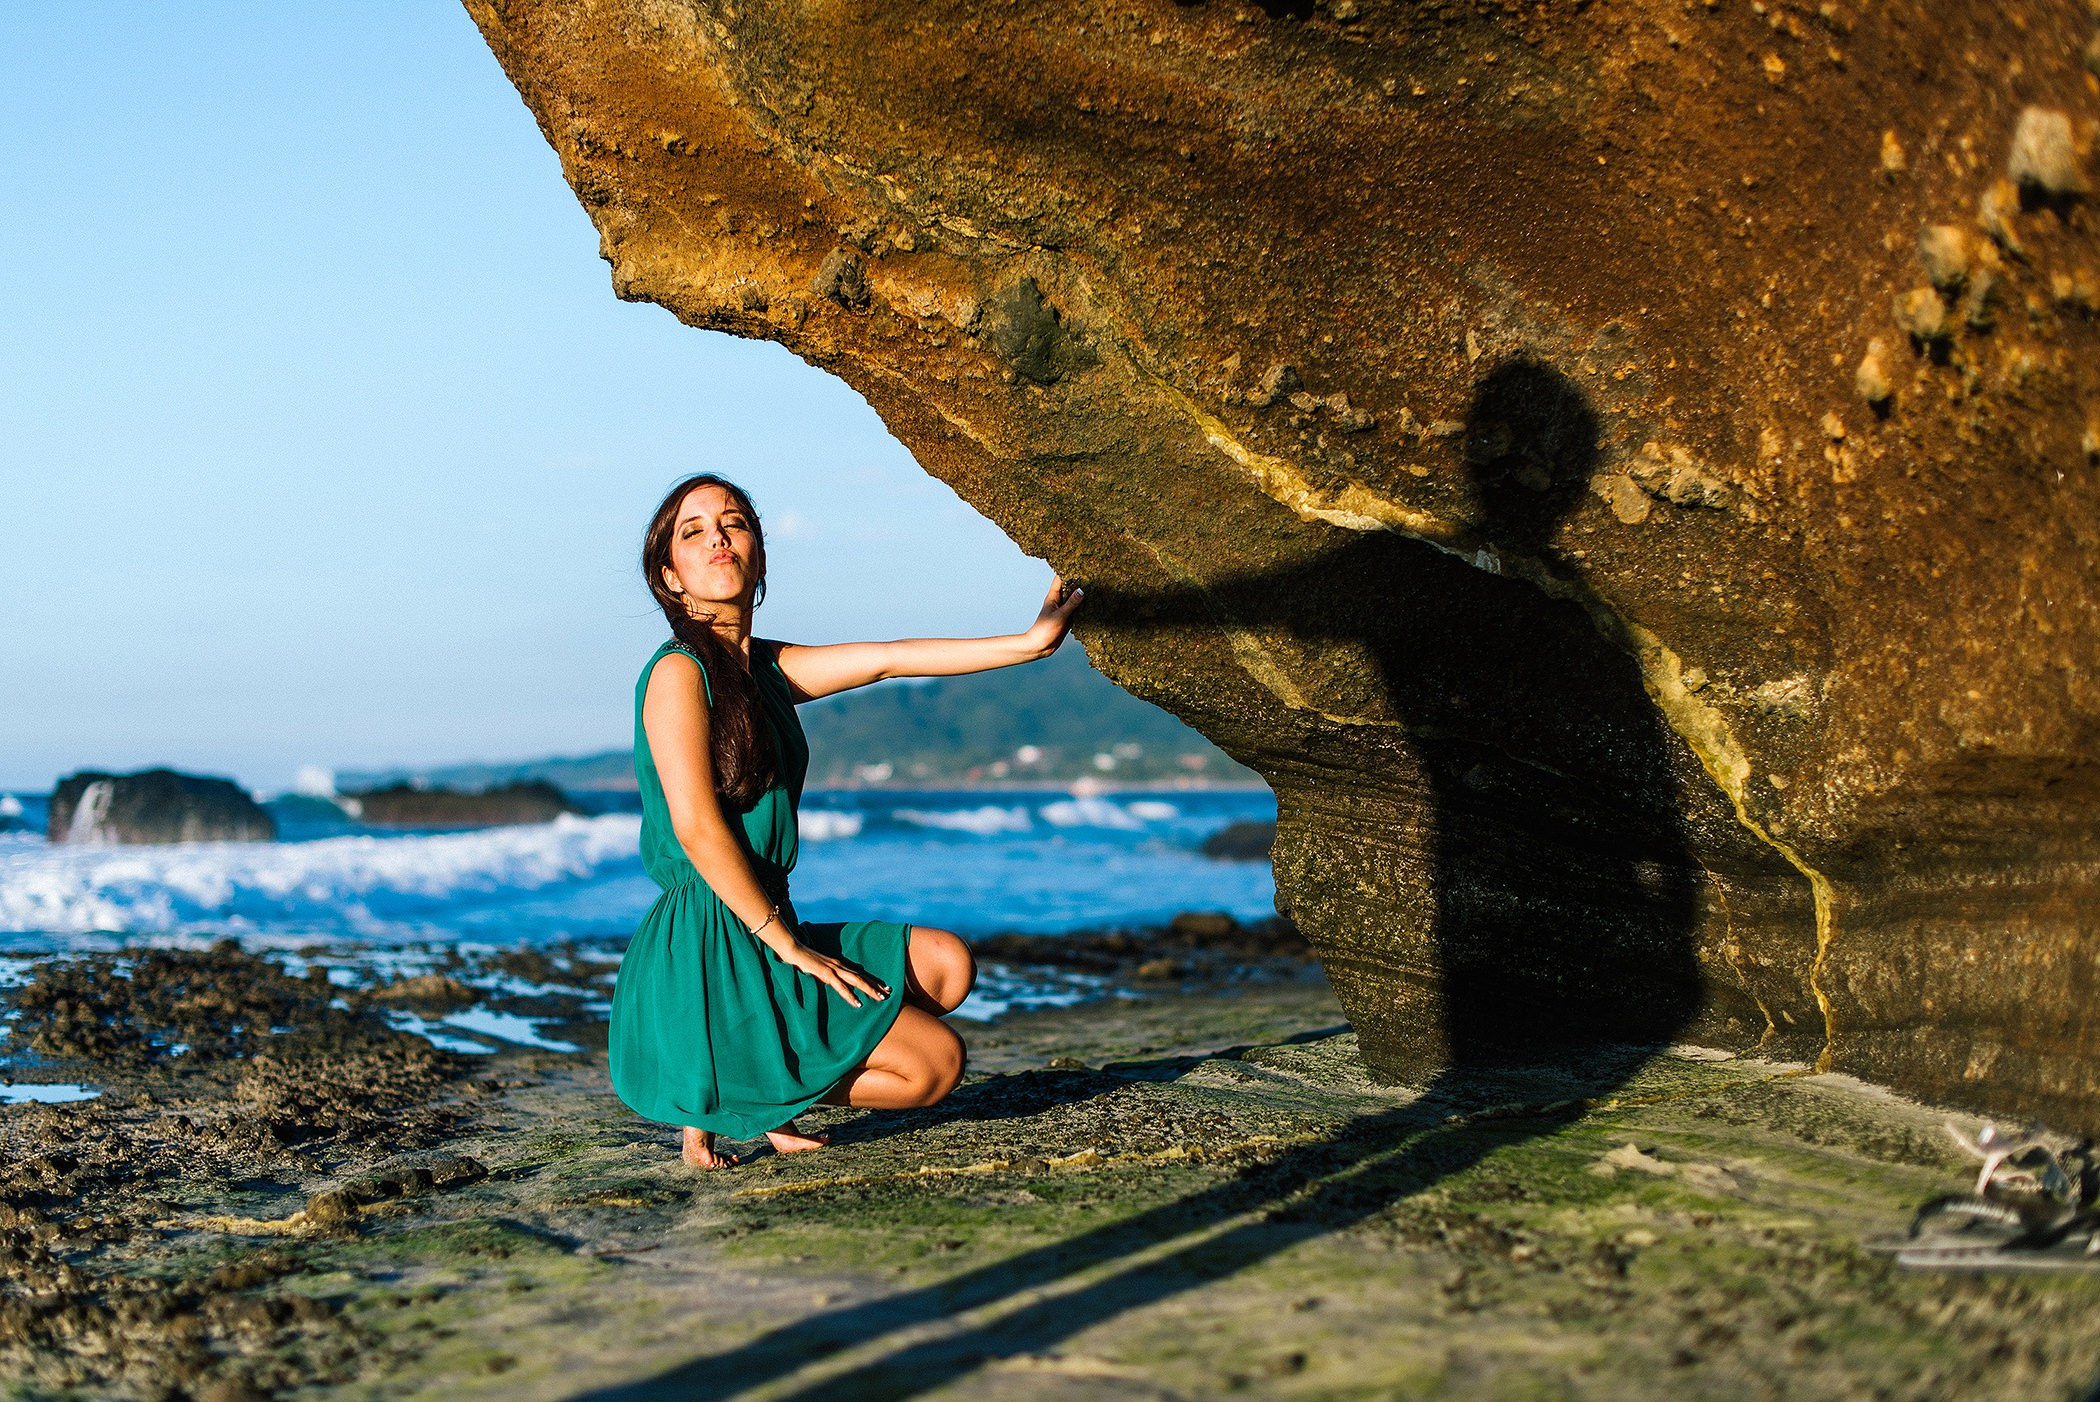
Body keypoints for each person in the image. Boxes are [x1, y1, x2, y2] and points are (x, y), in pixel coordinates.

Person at [610, 472, 1084, 1169]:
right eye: (694, 530)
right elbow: (696, 829)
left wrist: (1028, 643)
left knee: (948, 967)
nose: (718, 535)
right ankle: (736, 1089)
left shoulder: (765, 669)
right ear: (669, 576)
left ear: (760, 556)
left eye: (734, 522)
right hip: (712, 942)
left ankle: (757, 1086)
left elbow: (889, 660)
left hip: (766, 922)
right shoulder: (679, 672)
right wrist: (789, 945)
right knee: (934, 1066)